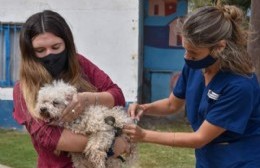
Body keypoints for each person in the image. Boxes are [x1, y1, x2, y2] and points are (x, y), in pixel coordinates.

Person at [123, 5, 260, 168]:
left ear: (219, 47)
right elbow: (171, 104)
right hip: (208, 158)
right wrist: (145, 108)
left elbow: (199, 138)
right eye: (185, 49)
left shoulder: (239, 85)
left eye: (193, 53)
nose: (187, 57)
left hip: (240, 160)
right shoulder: (195, 67)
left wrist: (144, 135)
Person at [13, 10, 129, 168]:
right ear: (30, 53)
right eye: (40, 51)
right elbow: (49, 138)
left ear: (67, 43)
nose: (50, 55)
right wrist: (111, 145)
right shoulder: (23, 89)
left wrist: (87, 98)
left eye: (56, 47)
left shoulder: (80, 64)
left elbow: (117, 95)